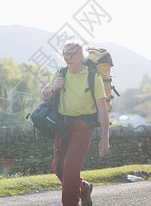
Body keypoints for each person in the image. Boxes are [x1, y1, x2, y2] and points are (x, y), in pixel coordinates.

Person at [42, 42, 110, 206]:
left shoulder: (92, 76)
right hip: (62, 125)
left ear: (81, 56)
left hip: (83, 126)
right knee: (58, 168)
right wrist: (53, 89)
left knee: (71, 169)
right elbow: (45, 94)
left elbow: (102, 109)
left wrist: (105, 139)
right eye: (66, 54)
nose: (69, 58)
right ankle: (84, 188)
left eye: (73, 54)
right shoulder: (61, 72)